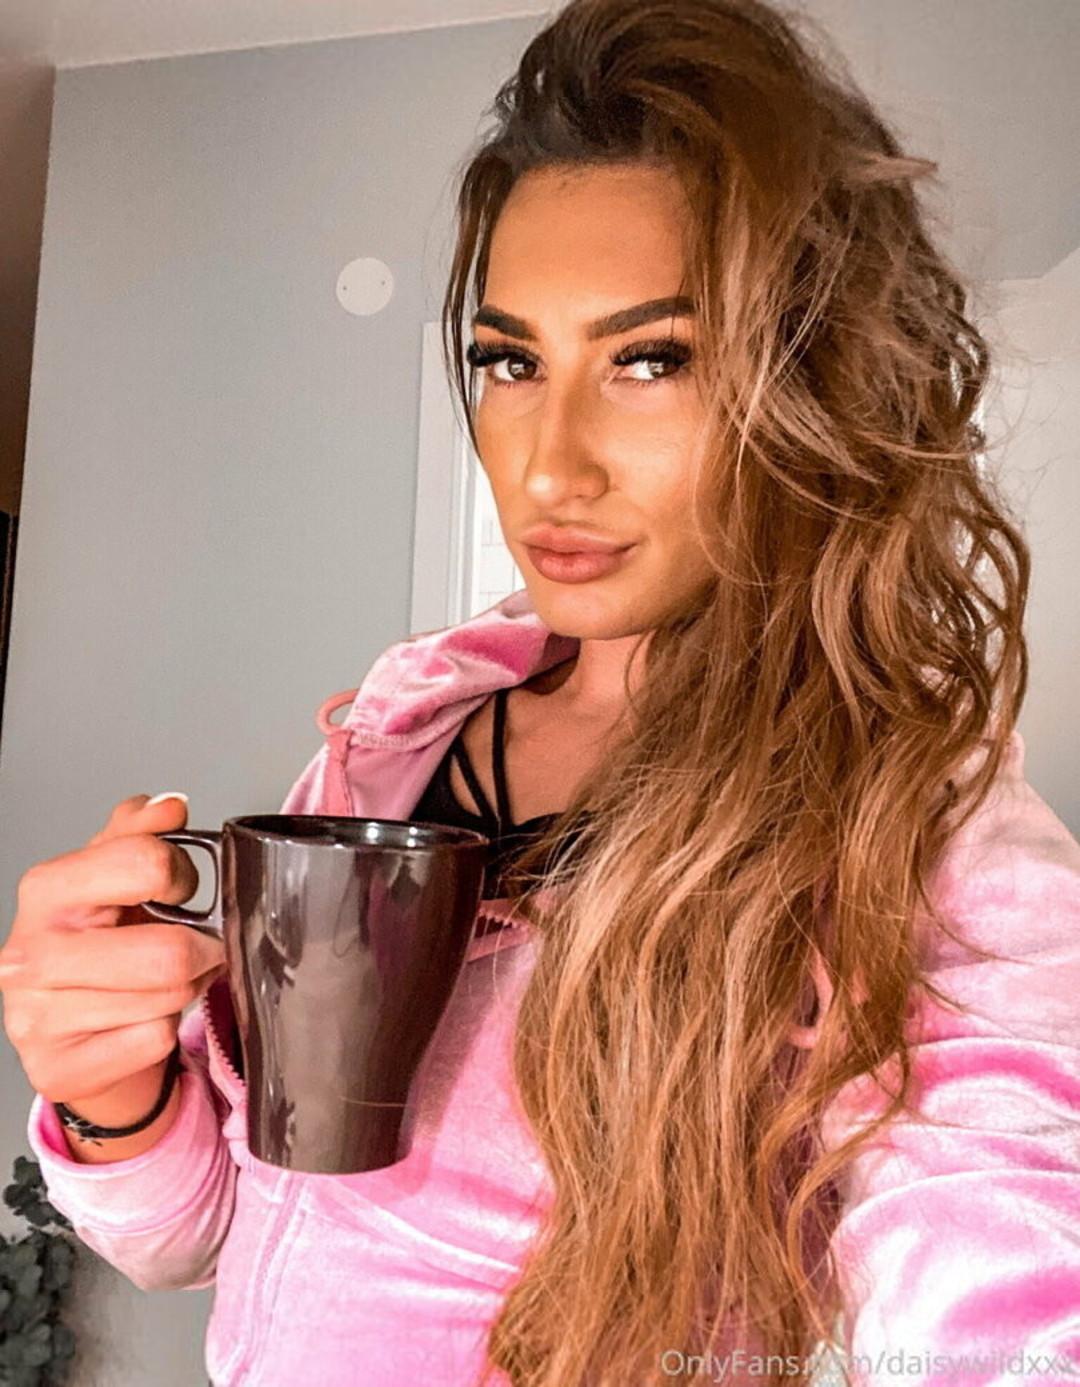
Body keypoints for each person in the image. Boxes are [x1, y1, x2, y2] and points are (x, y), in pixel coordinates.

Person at [2, 1, 1078, 1383]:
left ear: (809, 389)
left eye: (650, 360)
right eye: (512, 362)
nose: (549, 467)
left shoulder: (918, 835)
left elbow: (1004, 1289)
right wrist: (112, 1096)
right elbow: (222, 1227)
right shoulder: (390, 753)